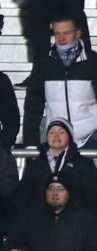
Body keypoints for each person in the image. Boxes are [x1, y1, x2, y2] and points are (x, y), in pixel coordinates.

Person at [23, 14, 97, 150]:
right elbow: (33, 105)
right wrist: (31, 142)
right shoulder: (44, 64)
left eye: (66, 33)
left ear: (78, 33)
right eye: (57, 34)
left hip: (91, 137)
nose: (61, 38)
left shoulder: (93, 62)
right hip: (57, 140)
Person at [16, 118, 97, 210]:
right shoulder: (36, 165)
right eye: (51, 132)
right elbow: (24, 196)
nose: (56, 136)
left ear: (69, 136)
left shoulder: (83, 164)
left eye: (61, 132)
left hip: (75, 220)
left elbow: (92, 197)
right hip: (40, 219)